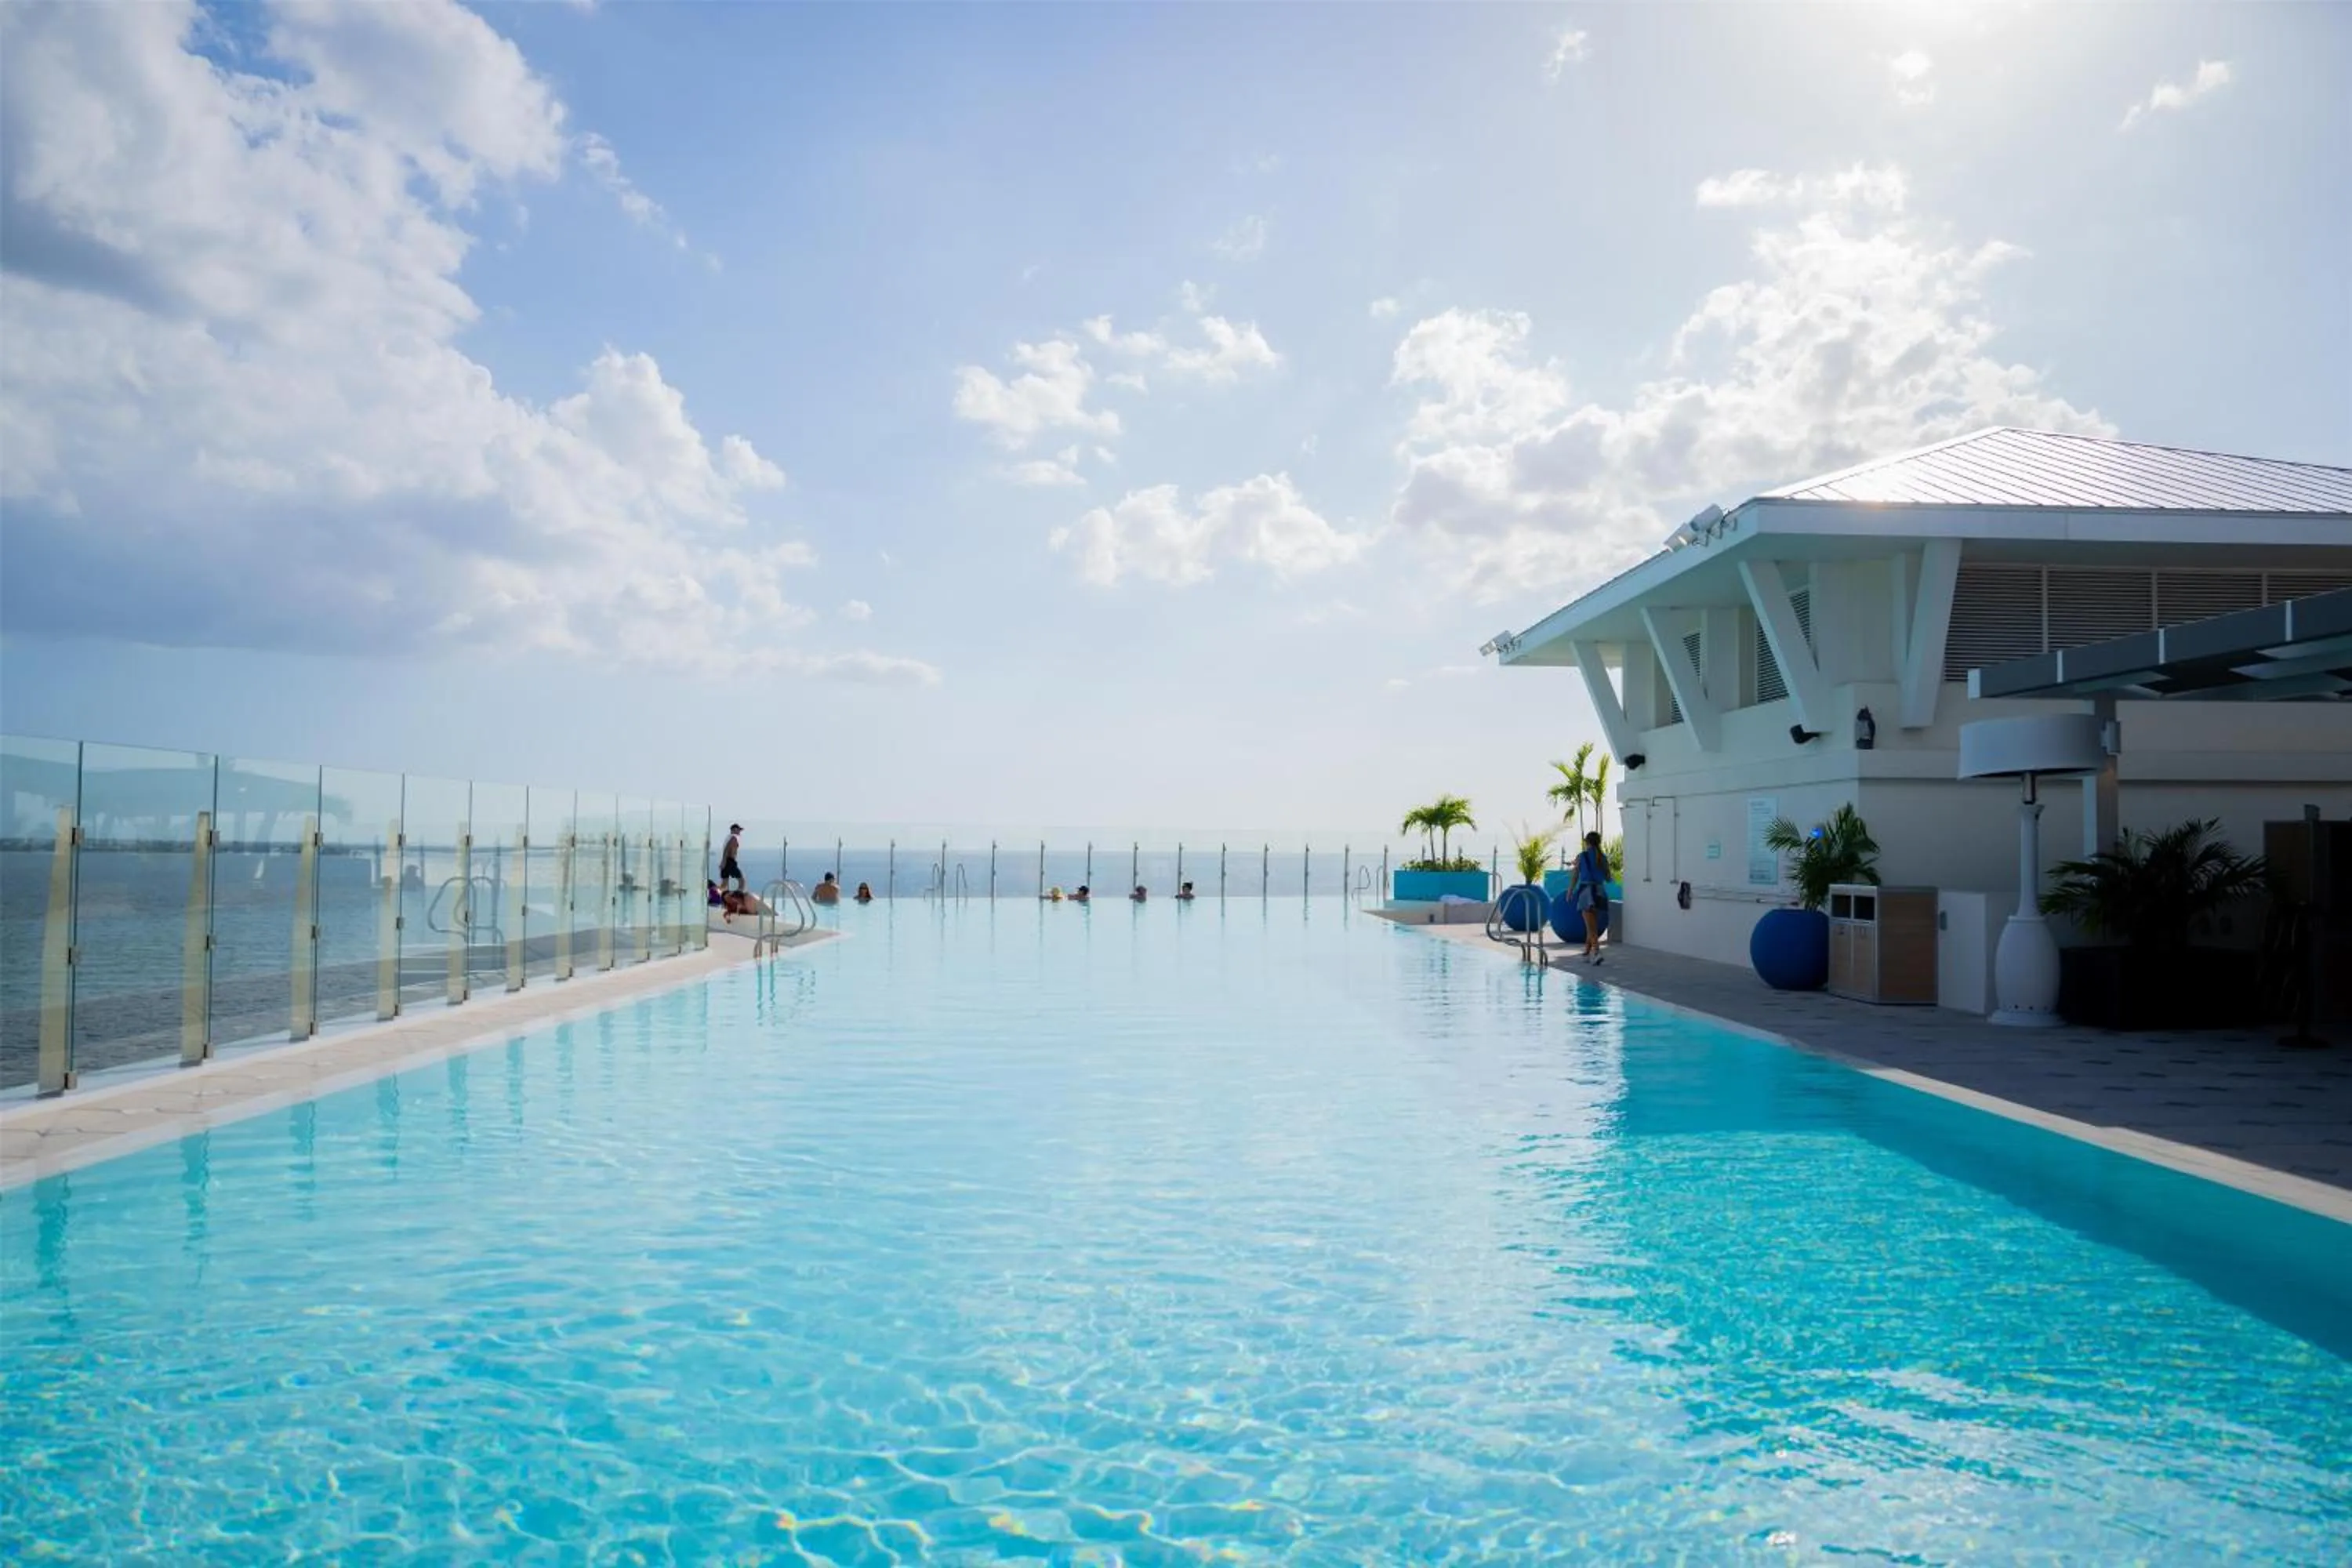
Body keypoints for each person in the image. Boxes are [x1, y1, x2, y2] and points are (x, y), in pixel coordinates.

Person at [1566, 830, 1610, 965]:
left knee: (1590, 926)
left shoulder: (1582, 856)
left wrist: (1570, 891)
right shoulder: (1602, 857)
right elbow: (1608, 878)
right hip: (1600, 891)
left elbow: (1575, 876)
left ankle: (1597, 953)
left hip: (1587, 892)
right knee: (1592, 924)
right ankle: (1586, 953)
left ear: (1587, 842)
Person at [720, 823, 746, 894]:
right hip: (730, 861)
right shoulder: (734, 837)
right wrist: (724, 861)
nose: (740, 832)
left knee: (724, 883)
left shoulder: (729, 837)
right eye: (739, 830)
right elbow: (727, 849)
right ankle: (739, 895)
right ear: (734, 830)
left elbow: (726, 849)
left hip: (726, 861)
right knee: (742, 880)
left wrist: (723, 862)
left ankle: (716, 893)